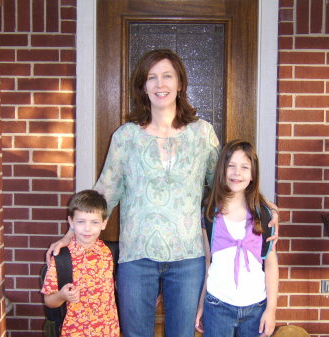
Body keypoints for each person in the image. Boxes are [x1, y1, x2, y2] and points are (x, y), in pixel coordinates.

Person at [47, 49, 279, 337]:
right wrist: (70, 235)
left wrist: (264, 208)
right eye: (152, 78)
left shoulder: (201, 134)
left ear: (180, 83)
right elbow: (104, 194)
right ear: (143, 87)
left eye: (167, 76)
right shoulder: (125, 137)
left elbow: (225, 183)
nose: (160, 85)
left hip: (188, 256)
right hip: (136, 256)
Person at [195, 140, 279, 337]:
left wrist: (271, 310)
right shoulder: (209, 213)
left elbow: (271, 264)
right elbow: (208, 261)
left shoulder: (264, 214)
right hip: (217, 306)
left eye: (244, 167)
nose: (237, 173)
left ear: (253, 174)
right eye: (231, 166)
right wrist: (201, 305)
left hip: (256, 308)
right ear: (222, 170)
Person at [41, 189, 120, 336]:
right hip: (73, 332)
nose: (87, 228)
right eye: (81, 221)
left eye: (94, 222)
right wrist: (62, 296)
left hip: (108, 331)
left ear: (104, 223)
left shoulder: (111, 253)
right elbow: (49, 300)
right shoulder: (62, 258)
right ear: (71, 222)